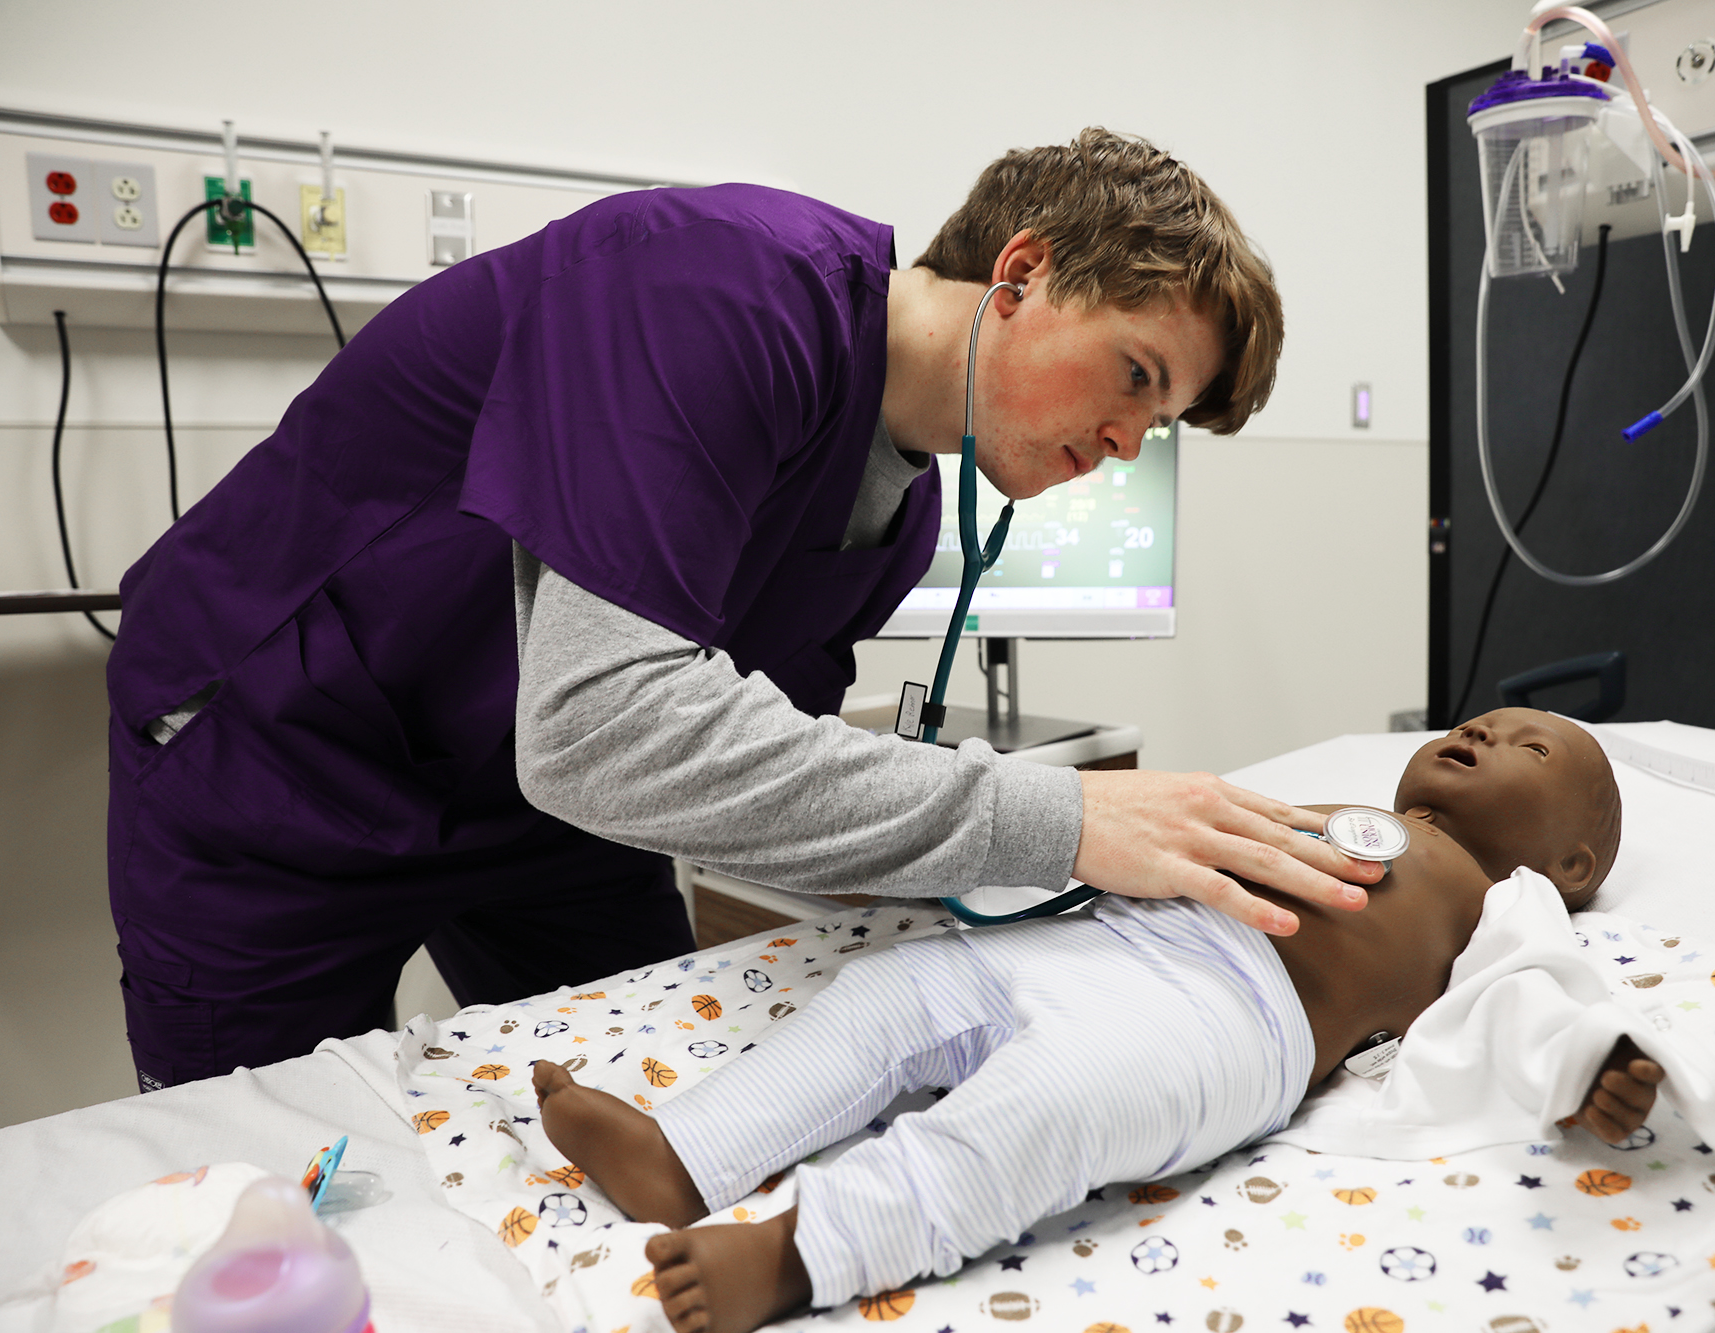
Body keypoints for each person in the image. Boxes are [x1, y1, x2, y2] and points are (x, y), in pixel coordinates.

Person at [104, 129, 1379, 1093]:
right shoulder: (717, 290)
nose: (1121, 440)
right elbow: (605, 727)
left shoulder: (900, 518)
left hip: (536, 817)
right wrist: (1056, 818)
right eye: (1135, 375)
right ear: (1022, 272)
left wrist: (1019, 922)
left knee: (655, 1107)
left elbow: (741, 789)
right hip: (278, 763)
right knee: (265, 1190)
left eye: (1154, 424)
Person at [529, 708, 1667, 1333]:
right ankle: (689, 1151)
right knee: (891, 991)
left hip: (1233, 1019)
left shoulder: (1497, 895)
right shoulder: (1346, 805)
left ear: (1573, 859)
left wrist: (1591, 1062)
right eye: (1476, 721)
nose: (1478, 734)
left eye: (1530, 747)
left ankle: (797, 1253)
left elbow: (1535, 996)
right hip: (1109, 935)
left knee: (1041, 1110)